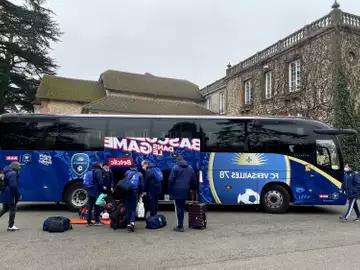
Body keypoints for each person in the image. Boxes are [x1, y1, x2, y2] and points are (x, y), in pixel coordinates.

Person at [168, 155, 197, 232]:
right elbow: (194, 180)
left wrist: (169, 190)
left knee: (178, 208)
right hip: (185, 190)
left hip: (176, 190)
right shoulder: (190, 168)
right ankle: (181, 224)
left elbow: (171, 180)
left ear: (177, 161)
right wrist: (194, 189)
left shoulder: (175, 168)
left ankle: (180, 225)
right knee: (182, 207)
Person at [0, 162, 22, 231]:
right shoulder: (13, 173)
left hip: (4, 192)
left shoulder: (5, 172)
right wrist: (18, 195)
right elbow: (13, 186)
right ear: (15, 167)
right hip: (10, 194)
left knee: (5, 208)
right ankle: (11, 226)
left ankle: (11, 225)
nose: (20, 168)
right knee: (13, 209)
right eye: (19, 167)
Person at [124, 164, 144, 232]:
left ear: (130, 168)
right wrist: (141, 193)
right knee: (133, 209)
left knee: (127, 208)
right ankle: (132, 223)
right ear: (136, 168)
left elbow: (124, 181)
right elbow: (141, 184)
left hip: (127, 192)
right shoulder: (139, 174)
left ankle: (127, 223)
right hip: (134, 192)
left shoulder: (127, 172)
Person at [84, 162, 104, 226]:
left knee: (90, 207)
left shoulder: (90, 171)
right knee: (97, 206)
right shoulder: (98, 171)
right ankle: (97, 221)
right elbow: (100, 181)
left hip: (90, 191)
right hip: (96, 191)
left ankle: (88, 221)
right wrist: (102, 189)